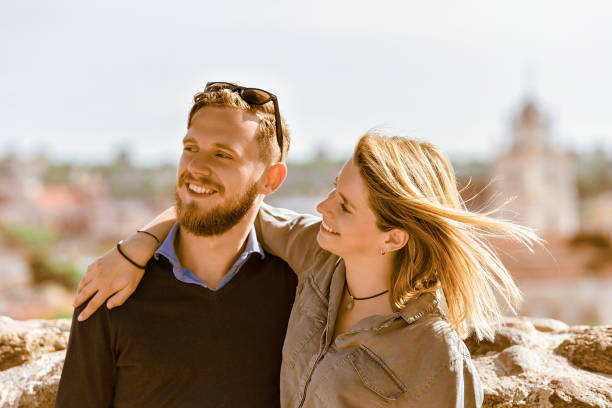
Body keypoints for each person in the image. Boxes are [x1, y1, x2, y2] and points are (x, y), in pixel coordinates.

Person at [75, 136, 539, 406]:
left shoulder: (433, 352)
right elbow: (231, 205)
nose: (322, 209)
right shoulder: (318, 254)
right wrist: (137, 245)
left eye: (344, 206)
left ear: (393, 238)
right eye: (333, 189)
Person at [55, 82, 298, 407]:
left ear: (271, 179)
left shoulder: (299, 292)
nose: (195, 167)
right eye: (191, 148)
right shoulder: (111, 289)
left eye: (222, 154)